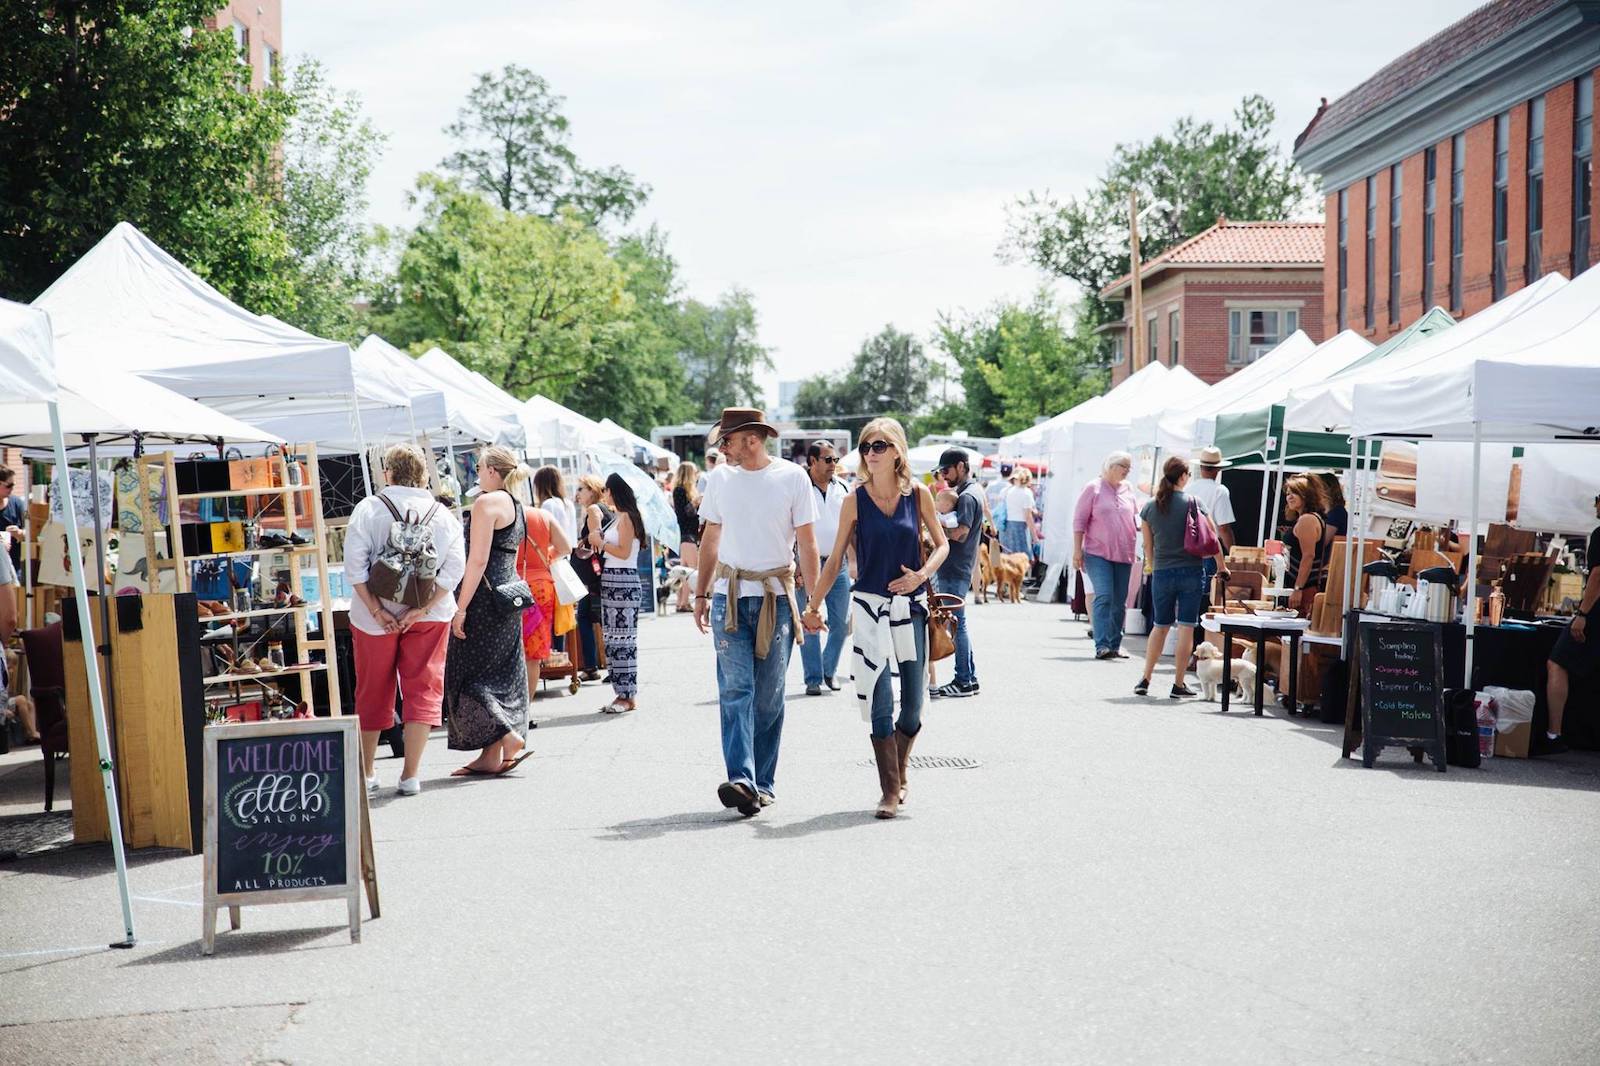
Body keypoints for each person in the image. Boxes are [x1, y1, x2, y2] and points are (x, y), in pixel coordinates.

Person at [807, 418, 946, 819]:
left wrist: (921, 576)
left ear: (898, 450)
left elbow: (941, 546)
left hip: (911, 607)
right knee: (881, 699)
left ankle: (900, 770)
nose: (871, 452)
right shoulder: (855, 498)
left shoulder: (918, 494)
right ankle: (889, 789)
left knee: (914, 706)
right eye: (867, 446)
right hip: (869, 606)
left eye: (880, 445)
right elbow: (835, 559)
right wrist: (813, 605)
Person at [693, 407, 820, 816]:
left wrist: (813, 604)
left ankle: (763, 782)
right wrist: (699, 594)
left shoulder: (792, 477)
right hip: (729, 596)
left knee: (769, 697)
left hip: (777, 600)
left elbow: (808, 544)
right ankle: (742, 780)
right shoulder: (719, 479)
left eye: (726, 440)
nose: (721, 448)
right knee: (735, 691)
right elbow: (711, 537)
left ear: (751, 438)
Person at [344, 445, 466, 796]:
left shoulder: (368, 509)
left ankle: (367, 774)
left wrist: (379, 610)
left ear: (388, 473)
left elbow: (355, 567)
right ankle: (410, 775)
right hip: (429, 615)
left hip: (372, 617)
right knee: (423, 686)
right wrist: (421, 608)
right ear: (424, 474)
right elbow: (453, 569)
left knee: (372, 688)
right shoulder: (443, 516)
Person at [444, 446, 533, 776]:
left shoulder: (485, 503)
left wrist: (460, 609)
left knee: (467, 676)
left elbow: (477, 560)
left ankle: (508, 737)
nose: (477, 473)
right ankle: (490, 753)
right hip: (508, 598)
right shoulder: (516, 503)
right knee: (501, 675)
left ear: (494, 470)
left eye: (479, 467)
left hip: (483, 599)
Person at [1136, 456, 1228, 699]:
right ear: (1184, 476)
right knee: (1186, 627)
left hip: (1162, 572)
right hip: (1191, 570)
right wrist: (1221, 566)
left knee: (1160, 626)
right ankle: (1178, 683)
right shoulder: (1194, 502)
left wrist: (1154, 569)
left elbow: (1148, 546)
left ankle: (1145, 678)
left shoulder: (1150, 506)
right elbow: (1212, 537)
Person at [1543, 493, 1600, 755]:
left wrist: (1583, 614)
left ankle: (1554, 733)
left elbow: (1598, 576)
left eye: (1598, 499)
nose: (1594, 505)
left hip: (1595, 614)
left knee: (1557, 662)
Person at [1073, 451, 1139, 661]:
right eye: (1124, 466)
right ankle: (1101, 644)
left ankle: (1114, 644)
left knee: (1120, 601)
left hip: (1124, 552)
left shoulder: (1128, 489)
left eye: (1129, 467)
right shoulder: (1093, 487)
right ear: (1111, 466)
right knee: (1104, 595)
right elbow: (1079, 521)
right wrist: (1077, 550)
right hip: (1097, 552)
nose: (1128, 471)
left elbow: (1136, 517)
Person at [797, 440, 851, 696]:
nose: (833, 465)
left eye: (835, 460)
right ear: (812, 462)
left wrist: (855, 563)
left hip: (836, 563)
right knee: (809, 622)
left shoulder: (843, 487)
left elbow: (851, 527)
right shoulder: (799, 488)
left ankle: (828, 669)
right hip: (807, 565)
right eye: (828, 460)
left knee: (841, 622)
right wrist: (795, 565)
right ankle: (813, 678)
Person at [932, 447, 985, 698]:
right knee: (958, 623)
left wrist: (935, 532)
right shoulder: (969, 492)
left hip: (955, 567)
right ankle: (969, 678)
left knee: (956, 624)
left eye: (947, 470)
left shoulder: (966, 496)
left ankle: (963, 680)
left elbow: (960, 532)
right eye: (941, 471)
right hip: (958, 567)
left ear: (962, 466)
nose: (944, 475)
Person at [592, 473, 645, 713]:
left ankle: (627, 694)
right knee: (613, 640)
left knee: (623, 640)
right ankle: (620, 692)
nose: (604, 493)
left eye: (606, 489)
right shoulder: (619, 518)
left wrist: (601, 542)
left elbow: (623, 552)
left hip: (622, 580)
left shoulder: (627, 518)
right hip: (613, 580)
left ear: (614, 491)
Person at [517, 486, 573, 698]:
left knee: (511, 652)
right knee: (533, 654)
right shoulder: (543, 515)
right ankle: (526, 711)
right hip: (541, 587)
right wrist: (545, 555)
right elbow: (566, 547)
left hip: (511, 586)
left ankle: (511, 709)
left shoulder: (500, 515)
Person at [1185, 447, 1236, 607]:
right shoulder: (1220, 491)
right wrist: (1233, 552)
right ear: (1218, 469)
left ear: (1201, 467)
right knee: (1206, 598)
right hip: (1209, 552)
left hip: (1186, 548)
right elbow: (1223, 528)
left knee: (1189, 597)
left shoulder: (1188, 489)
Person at [572, 475, 610, 682]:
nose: (577, 493)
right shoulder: (602, 508)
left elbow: (597, 540)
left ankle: (597, 666)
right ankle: (592, 666)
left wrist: (583, 541)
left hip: (595, 573)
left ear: (592, 490)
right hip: (600, 572)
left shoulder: (594, 509)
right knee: (589, 616)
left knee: (598, 617)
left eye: (581, 489)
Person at [1281, 474, 1331, 616]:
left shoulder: (1307, 520)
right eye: (1288, 493)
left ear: (1306, 495)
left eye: (1294, 493)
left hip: (1304, 590)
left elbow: (1308, 556)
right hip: (1303, 588)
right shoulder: (1308, 518)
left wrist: (1298, 588)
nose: (1289, 497)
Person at [671, 461, 702, 613]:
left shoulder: (683, 491)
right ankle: (683, 602)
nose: (696, 476)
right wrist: (696, 502)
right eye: (695, 473)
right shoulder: (680, 491)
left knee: (685, 571)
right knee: (692, 570)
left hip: (687, 535)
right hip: (687, 535)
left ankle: (681, 602)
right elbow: (684, 514)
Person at [1001, 468, 1038, 557]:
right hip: (1020, 527)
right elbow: (1027, 516)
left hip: (1007, 526)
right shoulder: (1026, 493)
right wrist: (1035, 536)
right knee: (1023, 558)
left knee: (1009, 557)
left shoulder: (1008, 491)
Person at [0, 466, 24, 571]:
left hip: (14, 567)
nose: (12, 489)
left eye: (13, 485)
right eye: (9, 485)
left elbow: (32, 534)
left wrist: (20, 533)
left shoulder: (17, 503)